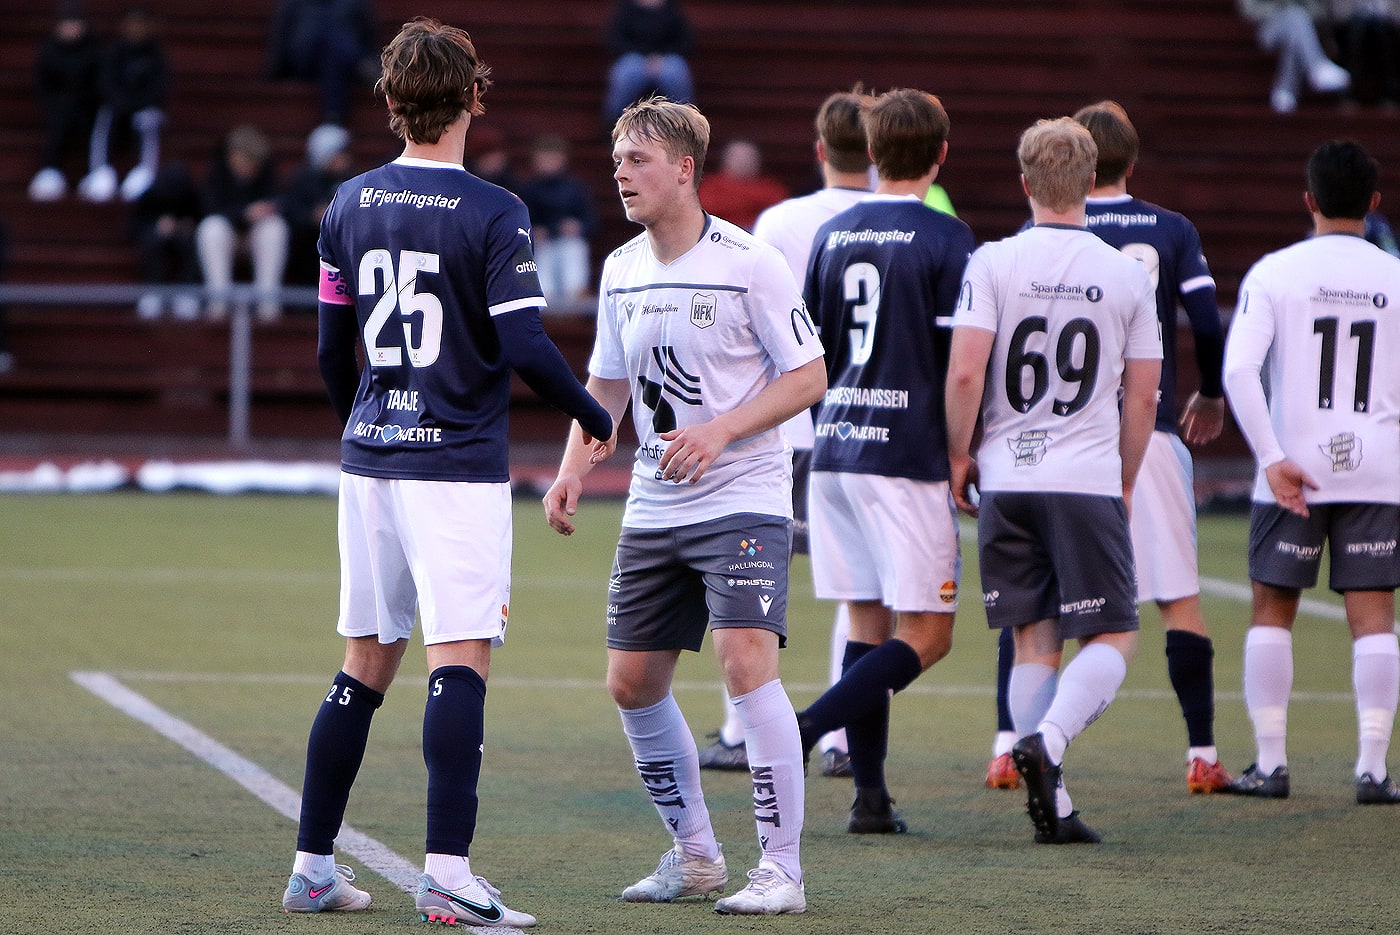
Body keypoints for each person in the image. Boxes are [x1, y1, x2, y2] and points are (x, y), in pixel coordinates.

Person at [281, 18, 612, 927]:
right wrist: (592, 413)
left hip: (371, 456)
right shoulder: (495, 209)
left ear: (390, 101)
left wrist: (366, 424)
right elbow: (523, 344)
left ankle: (312, 867)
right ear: (475, 96)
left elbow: (329, 350)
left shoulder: (346, 202)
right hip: (456, 463)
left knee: (362, 661)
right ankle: (448, 874)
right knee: (459, 656)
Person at [543, 96, 825, 915]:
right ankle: (697, 855)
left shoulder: (750, 261)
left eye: (638, 159)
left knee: (745, 664)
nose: (621, 173)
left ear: (684, 169)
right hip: (654, 502)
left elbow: (809, 375)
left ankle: (781, 870)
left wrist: (724, 429)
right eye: (617, 160)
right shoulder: (621, 268)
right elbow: (605, 386)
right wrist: (571, 468)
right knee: (632, 682)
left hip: (745, 496)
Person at [982, 101, 1233, 796]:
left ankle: (1008, 747)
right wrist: (1212, 392)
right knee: (1175, 600)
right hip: (1139, 436)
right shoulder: (1170, 229)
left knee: (1033, 610)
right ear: (1124, 162)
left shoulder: (1025, 242)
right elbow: (1205, 321)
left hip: (1038, 444)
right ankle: (1202, 751)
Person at [946, 117, 1162, 844]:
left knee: (1034, 637)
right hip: (1085, 477)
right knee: (1115, 633)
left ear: (1025, 183)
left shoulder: (992, 261)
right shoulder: (1126, 273)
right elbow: (1142, 397)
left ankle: (1056, 803)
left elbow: (966, 372)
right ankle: (1052, 741)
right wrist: (1126, 479)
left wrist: (958, 453)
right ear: (1092, 183)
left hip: (1008, 476)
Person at [792, 88, 975, 835]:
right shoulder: (949, 237)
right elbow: (959, 362)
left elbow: (809, 348)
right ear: (941, 155)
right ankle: (804, 728)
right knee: (929, 633)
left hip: (835, 446)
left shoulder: (832, 233)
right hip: (904, 454)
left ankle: (870, 799)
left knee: (867, 623)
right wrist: (961, 449)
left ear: (870, 153)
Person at [696, 87, 874, 781]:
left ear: (820, 148)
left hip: (787, 421)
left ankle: (743, 731)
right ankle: (844, 738)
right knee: (863, 590)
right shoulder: (905, 220)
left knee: (750, 576)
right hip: (870, 425)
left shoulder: (783, 220)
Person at [1221, 139, 1400, 804]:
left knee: (1273, 609)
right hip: (1377, 468)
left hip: (1292, 466)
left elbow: (1238, 370)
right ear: (1373, 202)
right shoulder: (1395, 275)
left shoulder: (1276, 272)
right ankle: (1373, 770)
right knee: (1374, 614)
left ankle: (1271, 764)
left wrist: (1271, 458)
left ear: (1309, 200)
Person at [195, 123, 289, 322]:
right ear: (233, 155)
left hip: (256, 235)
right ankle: (218, 302)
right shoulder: (217, 172)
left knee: (275, 228)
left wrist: (266, 209)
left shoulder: (266, 171)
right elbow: (210, 208)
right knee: (211, 228)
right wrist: (244, 214)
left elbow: (281, 200)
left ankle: (268, 304)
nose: (250, 169)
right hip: (227, 234)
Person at [78, 5, 168, 203]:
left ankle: (145, 172)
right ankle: (100, 172)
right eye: (132, 25)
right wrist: (123, 103)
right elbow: (105, 84)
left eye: (140, 25)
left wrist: (138, 103)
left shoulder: (156, 55)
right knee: (106, 114)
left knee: (149, 117)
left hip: (143, 107)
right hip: (118, 107)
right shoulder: (114, 53)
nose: (136, 29)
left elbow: (159, 87)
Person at [28, 1, 100, 202]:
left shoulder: (94, 51)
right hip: (57, 107)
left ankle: (95, 173)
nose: (71, 29)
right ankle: (49, 171)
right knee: (59, 120)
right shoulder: (49, 50)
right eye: (67, 24)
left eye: (75, 24)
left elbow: (99, 83)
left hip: (87, 106)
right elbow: (42, 83)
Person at [266, 0, 377, 125]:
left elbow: (367, 37)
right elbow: (282, 37)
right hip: (305, 61)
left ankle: (333, 117)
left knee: (332, 52)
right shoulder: (294, 4)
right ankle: (359, 64)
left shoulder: (354, 4)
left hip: (338, 65)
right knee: (329, 38)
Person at [517, 134, 597, 304]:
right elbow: (519, 225)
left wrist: (578, 227)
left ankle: (575, 295)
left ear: (562, 159)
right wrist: (533, 232)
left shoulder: (575, 189)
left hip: (568, 242)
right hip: (542, 246)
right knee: (540, 254)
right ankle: (544, 297)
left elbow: (592, 222)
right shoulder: (528, 190)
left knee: (574, 248)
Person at [1237, 0, 1351, 112]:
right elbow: (1249, 9)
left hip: (1306, 25)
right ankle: (1316, 66)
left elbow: (1322, 11)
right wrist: (1283, 10)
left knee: (1296, 27)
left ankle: (1285, 90)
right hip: (1270, 26)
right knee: (1294, 17)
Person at [281, 123, 356, 287]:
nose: (345, 158)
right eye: (339, 153)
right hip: (307, 245)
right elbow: (290, 212)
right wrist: (313, 216)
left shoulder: (351, 180)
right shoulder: (303, 180)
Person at [129, 161, 202, 320]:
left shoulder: (191, 195)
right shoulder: (150, 195)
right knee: (153, 240)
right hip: (155, 236)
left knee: (194, 241)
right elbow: (132, 226)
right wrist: (157, 225)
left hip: (186, 238)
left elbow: (202, 216)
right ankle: (153, 293)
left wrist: (185, 225)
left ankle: (187, 293)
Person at [603, 0, 695, 123]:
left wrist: (658, 58)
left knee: (676, 69)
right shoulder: (625, 9)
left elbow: (685, 41)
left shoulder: (672, 9)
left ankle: (686, 123)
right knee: (626, 71)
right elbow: (616, 40)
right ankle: (613, 123)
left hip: (665, 59)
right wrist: (645, 58)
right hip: (634, 58)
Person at [698, 139, 788, 232]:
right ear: (725, 159)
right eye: (737, 158)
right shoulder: (709, 186)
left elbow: (779, 215)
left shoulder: (771, 188)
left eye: (748, 158)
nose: (743, 162)